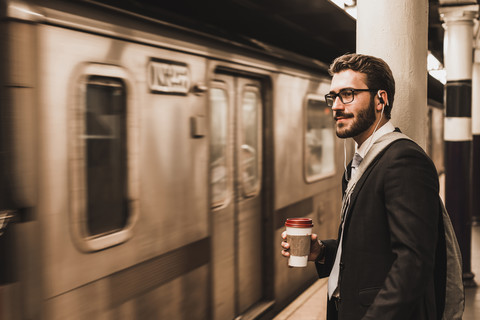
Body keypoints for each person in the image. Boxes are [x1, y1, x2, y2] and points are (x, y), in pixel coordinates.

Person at [281, 53, 447, 319]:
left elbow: (412, 264)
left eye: (348, 94)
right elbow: (371, 249)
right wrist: (323, 252)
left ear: (381, 99)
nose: (335, 106)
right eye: (333, 96)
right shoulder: (357, 166)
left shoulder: (402, 160)